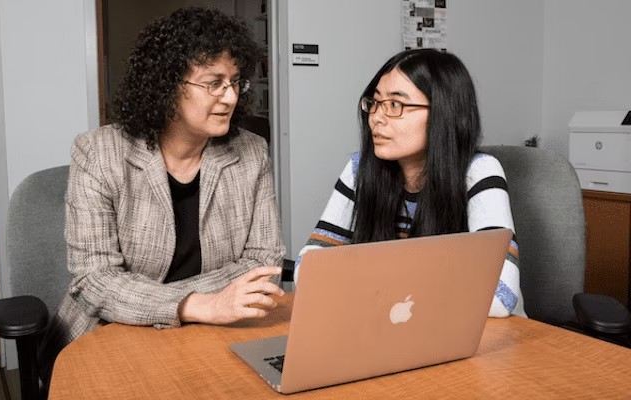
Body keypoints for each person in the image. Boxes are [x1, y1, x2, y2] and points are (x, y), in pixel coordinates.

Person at [40, 6, 285, 381]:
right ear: (167, 85)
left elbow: (263, 263)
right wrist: (197, 304)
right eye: (213, 83)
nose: (231, 97)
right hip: (106, 335)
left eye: (236, 82)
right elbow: (95, 279)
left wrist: (189, 306)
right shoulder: (98, 152)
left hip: (211, 336)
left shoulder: (252, 152)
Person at [294, 48, 525, 318]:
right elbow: (308, 271)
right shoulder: (360, 169)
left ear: (444, 112)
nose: (377, 118)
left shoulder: (480, 171)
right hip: (399, 326)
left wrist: (368, 282)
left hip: (489, 340)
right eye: (375, 102)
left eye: (395, 105)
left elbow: (500, 297)